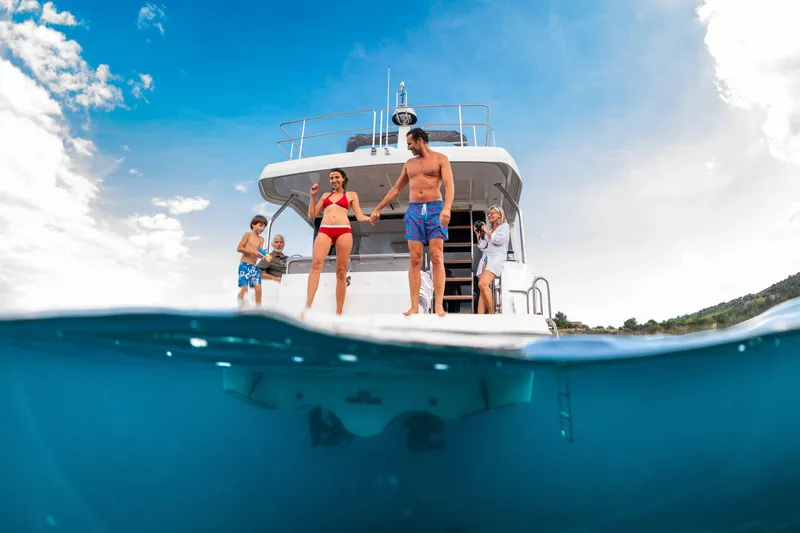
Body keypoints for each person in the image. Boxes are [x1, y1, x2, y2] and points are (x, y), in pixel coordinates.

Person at [369, 128, 454, 317]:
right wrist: (378, 208)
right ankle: (414, 306)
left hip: (435, 209)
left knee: (437, 256)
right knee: (415, 259)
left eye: (410, 143)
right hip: (414, 211)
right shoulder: (409, 164)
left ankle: (438, 305)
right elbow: (396, 189)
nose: (408, 148)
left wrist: (447, 208)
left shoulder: (441, 159)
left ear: (420, 140)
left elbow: (449, 185)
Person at [305, 168, 371, 314]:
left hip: (343, 230)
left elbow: (359, 216)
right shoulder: (325, 195)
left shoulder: (351, 195)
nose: (334, 180)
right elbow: (312, 214)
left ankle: (339, 313)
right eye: (331, 178)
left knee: (341, 272)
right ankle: (307, 307)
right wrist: (312, 196)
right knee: (315, 266)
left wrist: (370, 217)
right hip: (325, 229)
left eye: (336, 177)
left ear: (343, 179)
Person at [474, 205, 510, 314]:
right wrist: (478, 234)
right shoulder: (489, 230)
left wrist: (488, 232)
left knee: (482, 284)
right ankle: (480, 317)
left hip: (497, 257)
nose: (489, 215)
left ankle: (492, 313)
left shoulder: (504, 226)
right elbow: (483, 246)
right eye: (488, 213)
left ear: (499, 214)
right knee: (482, 290)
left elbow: (498, 240)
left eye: (492, 213)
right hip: (487, 257)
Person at [236, 215, 267, 308]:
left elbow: (260, 251)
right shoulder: (247, 235)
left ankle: (258, 309)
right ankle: (239, 306)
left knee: (258, 288)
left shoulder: (262, 239)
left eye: (264, 227)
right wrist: (253, 252)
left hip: (254, 266)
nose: (262, 228)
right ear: (253, 225)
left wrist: (265, 256)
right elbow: (239, 248)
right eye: (260, 225)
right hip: (244, 265)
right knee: (244, 288)